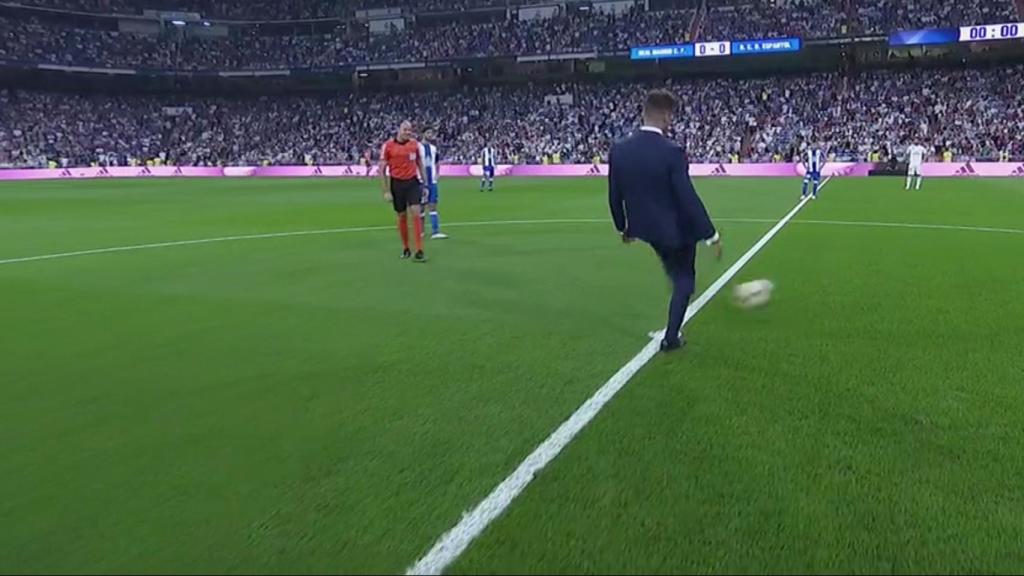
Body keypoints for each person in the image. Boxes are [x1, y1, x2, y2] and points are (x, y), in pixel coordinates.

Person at [608, 90, 722, 353]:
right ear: (666, 116)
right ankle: (671, 338)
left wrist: (622, 227)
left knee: (674, 270)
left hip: (645, 229)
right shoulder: (672, 152)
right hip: (675, 231)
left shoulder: (620, 149)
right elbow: (686, 196)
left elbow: (615, 194)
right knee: (685, 280)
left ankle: (673, 321)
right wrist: (710, 234)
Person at [380, 120, 427, 263]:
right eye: (405, 130)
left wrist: (424, 183)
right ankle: (406, 248)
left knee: (416, 213)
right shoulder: (388, 146)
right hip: (397, 184)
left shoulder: (414, 145)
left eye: (410, 130)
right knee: (402, 215)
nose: (408, 132)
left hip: (412, 182)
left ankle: (419, 250)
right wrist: (386, 191)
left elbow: (419, 163)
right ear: (399, 130)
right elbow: (381, 170)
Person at [419, 127, 448, 239]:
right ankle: (420, 232)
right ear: (423, 134)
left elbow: (437, 162)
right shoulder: (417, 147)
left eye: (431, 133)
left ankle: (435, 231)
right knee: (421, 207)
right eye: (428, 132)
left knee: (433, 205)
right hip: (421, 181)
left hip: (432, 181)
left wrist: (438, 173)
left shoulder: (433, 148)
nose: (430, 135)